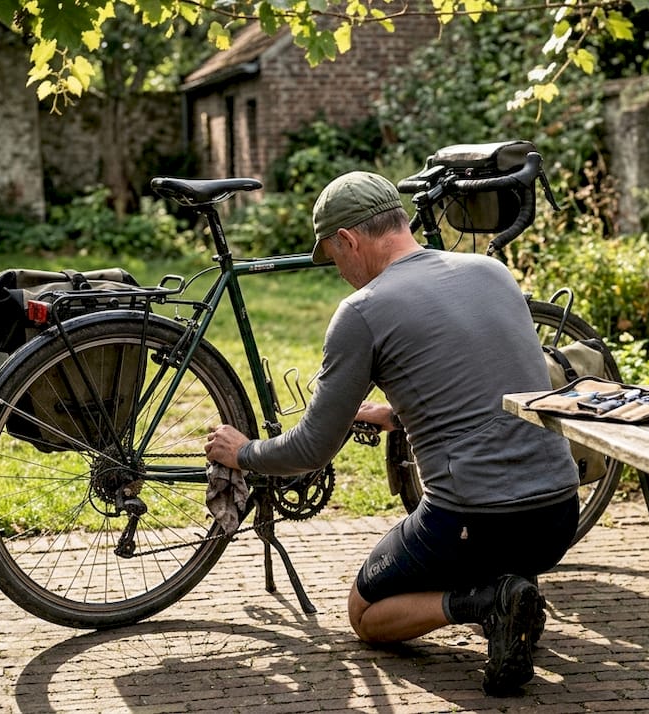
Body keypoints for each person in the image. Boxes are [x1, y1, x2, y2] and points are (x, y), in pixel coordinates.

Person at [204, 171, 580, 696]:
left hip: (475, 519)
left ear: (349, 241)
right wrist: (397, 415)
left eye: (334, 259)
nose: (339, 272)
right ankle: (512, 585)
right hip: (559, 514)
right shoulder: (491, 271)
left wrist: (244, 453)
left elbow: (311, 450)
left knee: (365, 613)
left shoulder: (363, 310)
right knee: (499, 543)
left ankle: (485, 602)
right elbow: (485, 386)